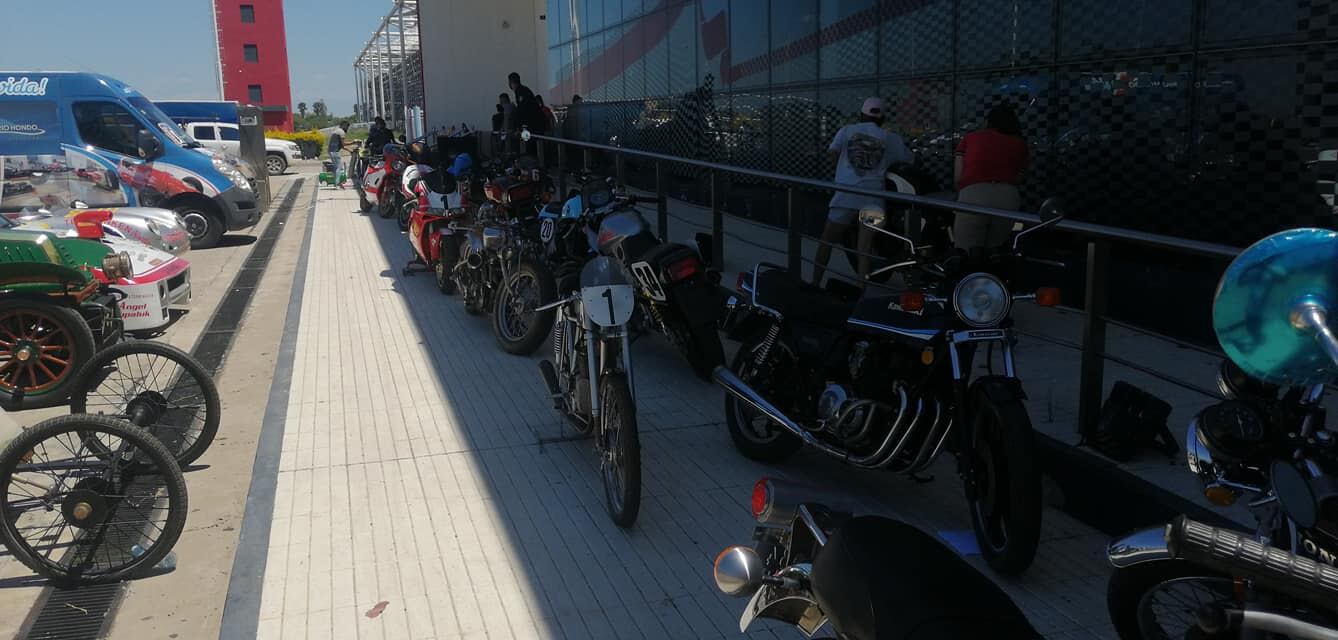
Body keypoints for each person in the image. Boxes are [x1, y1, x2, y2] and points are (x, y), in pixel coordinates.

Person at [812, 97, 912, 285]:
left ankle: (814, 283)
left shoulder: (846, 131)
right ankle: (863, 292)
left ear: (862, 115)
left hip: (845, 196)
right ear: (882, 119)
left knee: (826, 241)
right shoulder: (890, 138)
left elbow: (832, 155)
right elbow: (909, 159)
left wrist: (844, 167)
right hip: (874, 200)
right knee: (864, 249)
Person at [953, 104, 1028, 255]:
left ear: (989, 121)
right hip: (1008, 196)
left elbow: (958, 176)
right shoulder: (1020, 143)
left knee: (966, 251)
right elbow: (1019, 178)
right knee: (995, 251)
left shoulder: (970, 138)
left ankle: (971, 278)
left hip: (974, 194)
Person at [508, 72, 540, 154]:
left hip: (532, 125)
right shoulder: (523, 90)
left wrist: (518, 127)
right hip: (533, 123)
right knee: (531, 146)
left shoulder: (521, 91)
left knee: (531, 147)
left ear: (511, 82)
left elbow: (522, 111)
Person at [327, 121, 351, 189]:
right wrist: (354, 142)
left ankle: (336, 182)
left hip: (331, 150)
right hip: (335, 151)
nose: (347, 128)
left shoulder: (336, 131)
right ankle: (337, 184)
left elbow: (341, 145)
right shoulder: (341, 132)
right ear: (343, 126)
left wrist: (349, 150)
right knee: (339, 168)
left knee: (336, 167)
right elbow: (343, 144)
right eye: (347, 126)